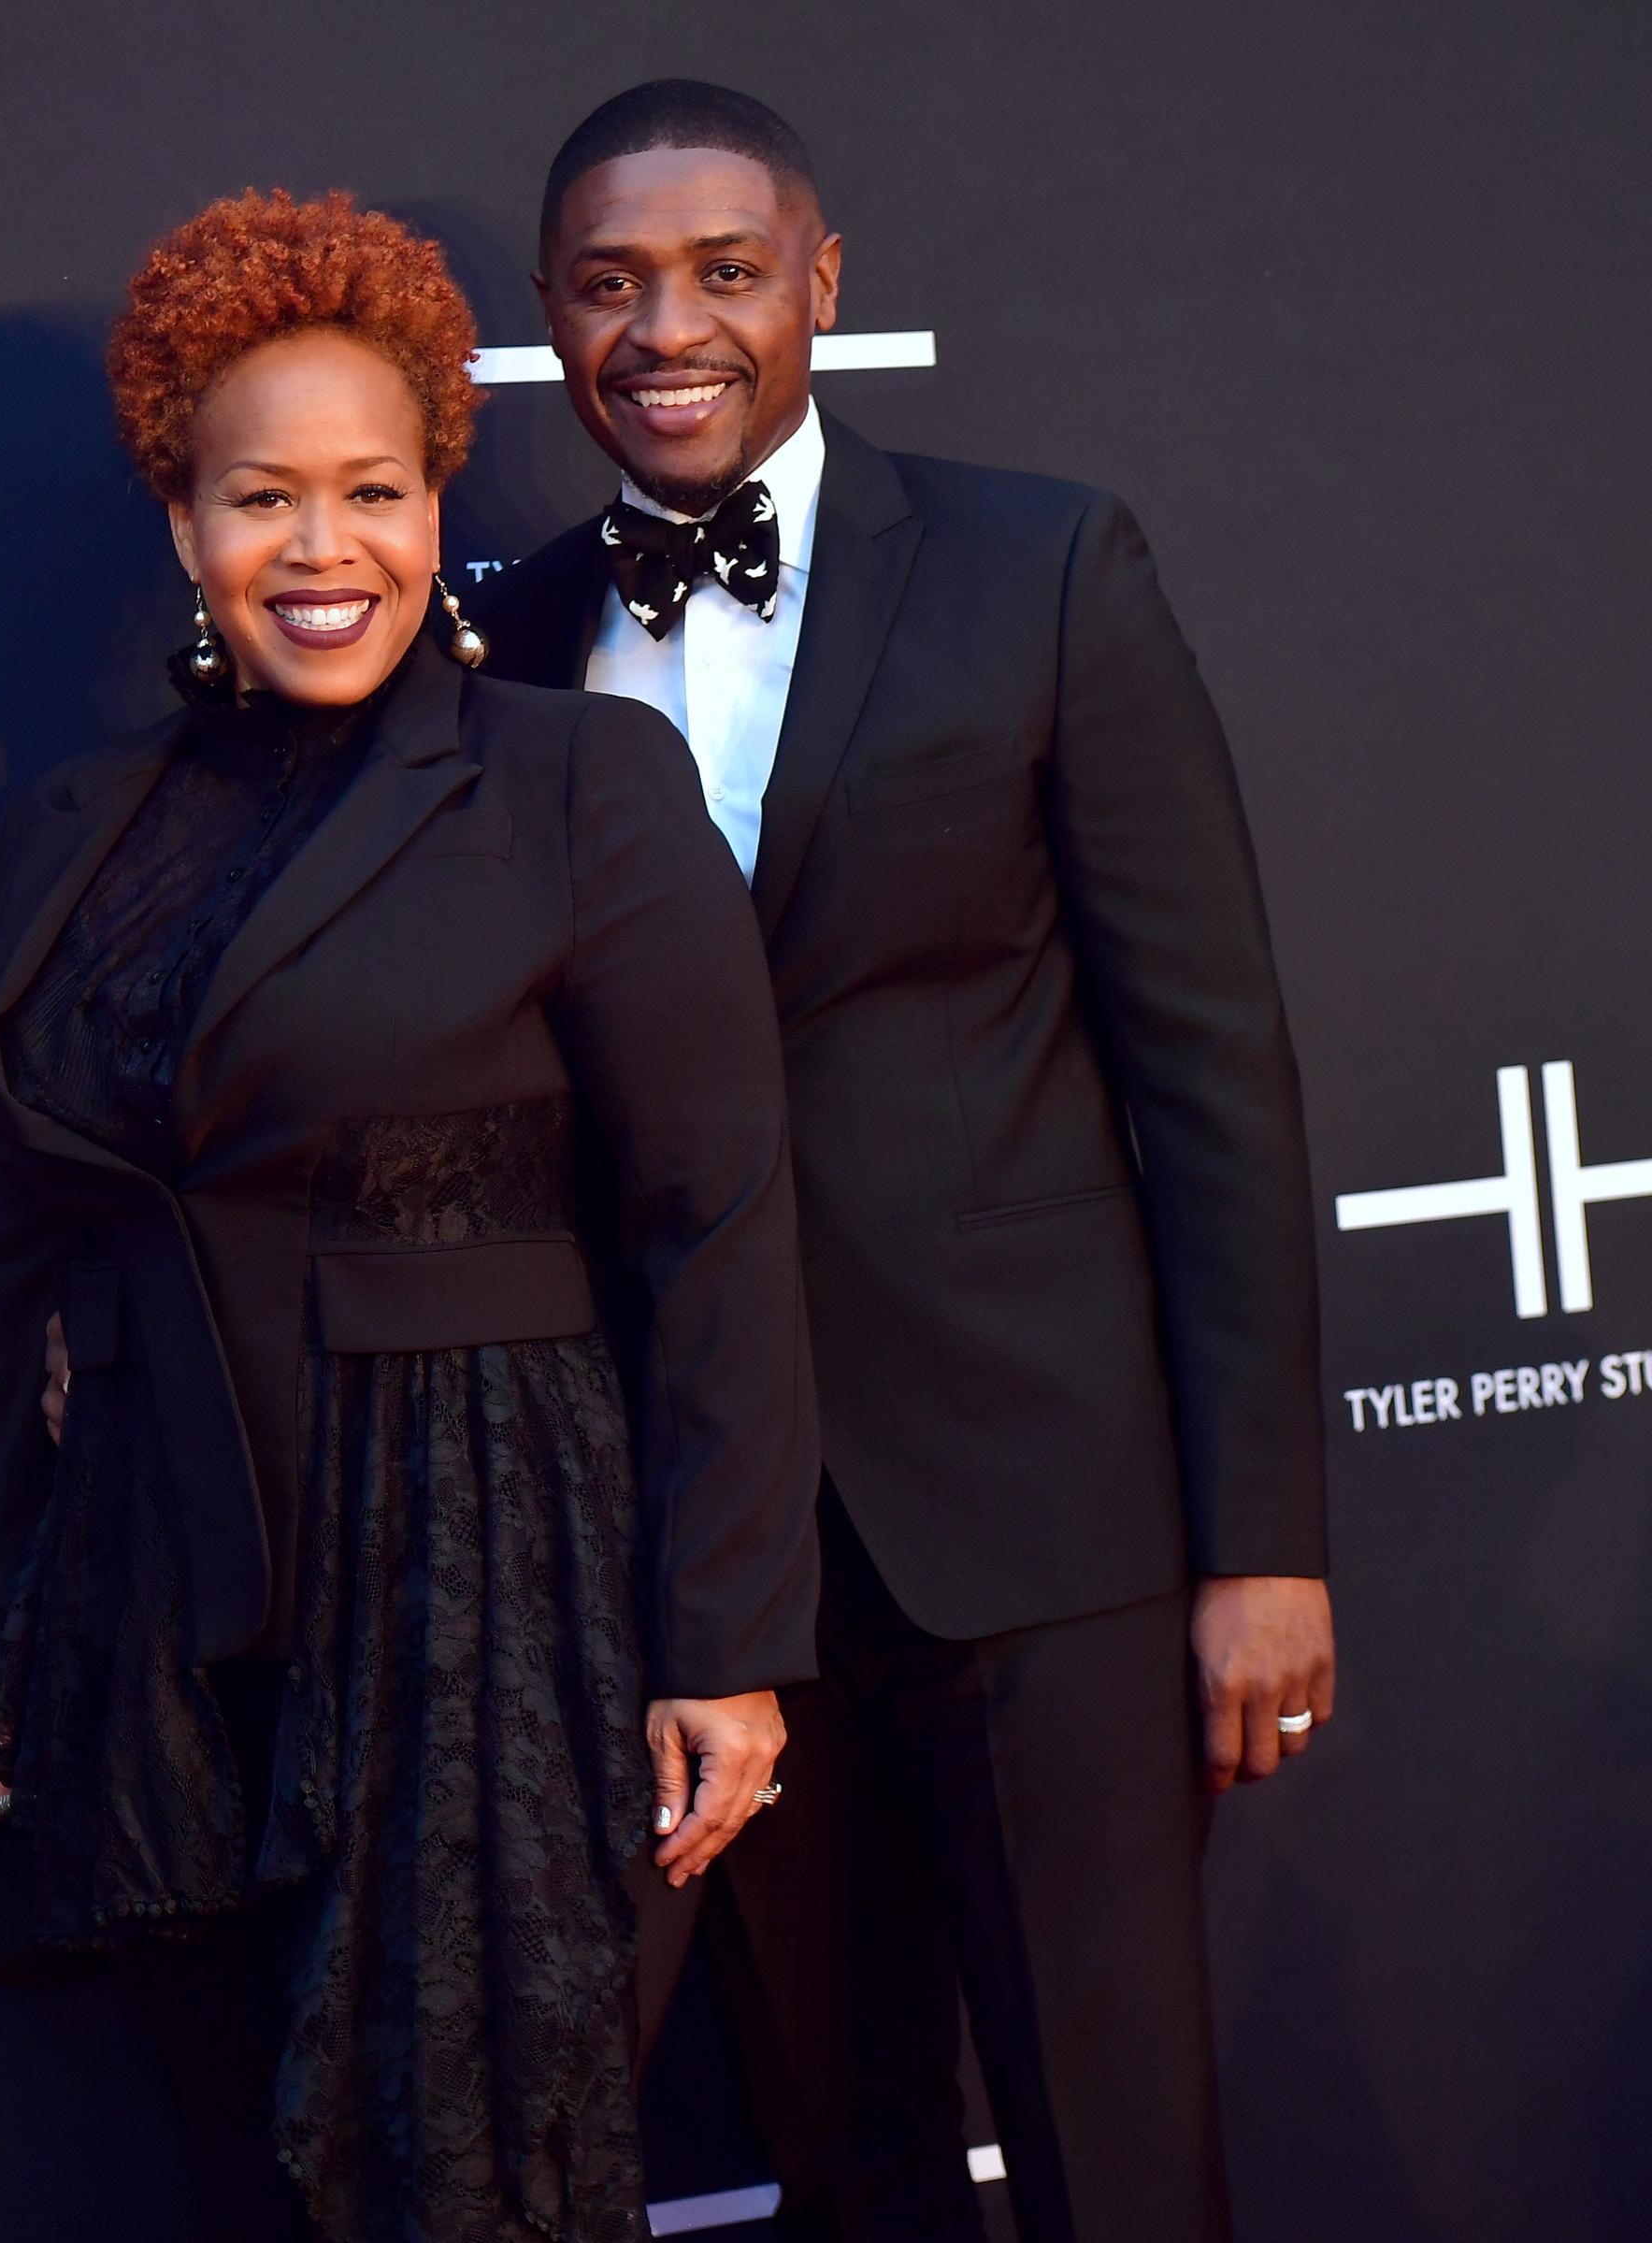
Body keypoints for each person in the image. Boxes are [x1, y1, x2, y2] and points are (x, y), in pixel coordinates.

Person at [467, 79, 1338, 2243]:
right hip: (711, 1567)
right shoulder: (499, 635)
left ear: (824, 287)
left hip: (1046, 1526)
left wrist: (1267, 1546)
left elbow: (1214, 1072)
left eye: (725, 271)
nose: (665, 326)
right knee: (843, 2166)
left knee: (1119, 2158)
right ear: (550, 320)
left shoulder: (1046, 563)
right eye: (606, 284)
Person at [0, 186, 819, 2243]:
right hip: (174, 1627)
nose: (320, 550)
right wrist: (25, 1658)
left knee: (471, 2176)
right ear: (184, 526)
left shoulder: (573, 785)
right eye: (263, 497)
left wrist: (727, 1644)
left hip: (489, 1586)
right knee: (254, 2184)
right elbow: (44, 1260)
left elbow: (721, 1219)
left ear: (442, 499)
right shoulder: (86, 830)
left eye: (372, 490)